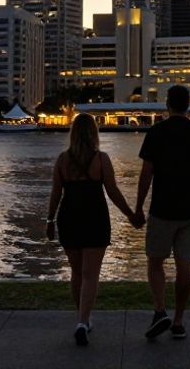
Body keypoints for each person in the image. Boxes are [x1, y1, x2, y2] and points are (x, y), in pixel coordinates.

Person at [46, 112, 139, 346]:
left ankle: (82, 320)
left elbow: (56, 194)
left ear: (73, 133)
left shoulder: (62, 160)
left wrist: (49, 221)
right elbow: (113, 192)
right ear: (94, 134)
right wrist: (131, 215)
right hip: (95, 218)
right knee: (90, 275)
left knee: (77, 273)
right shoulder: (101, 159)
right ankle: (82, 321)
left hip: (69, 218)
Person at [133, 85, 190, 341]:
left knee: (155, 261)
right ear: (188, 105)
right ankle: (178, 320)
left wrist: (138, 208)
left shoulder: (157, 133)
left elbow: (146, 175)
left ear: (167, 104)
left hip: (162, 209)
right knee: (185, 265)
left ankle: (160, 310)